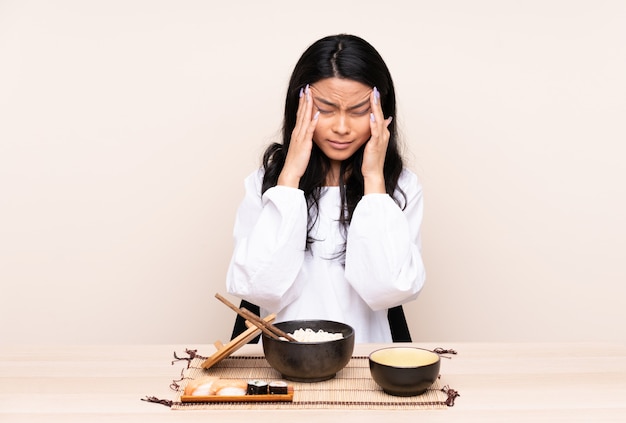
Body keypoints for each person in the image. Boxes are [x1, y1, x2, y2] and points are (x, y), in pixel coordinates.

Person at [226, 34, 425, 343]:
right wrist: (290, 177)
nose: (342, 127)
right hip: (281, 363)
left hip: (366, 361)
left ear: (382, 112)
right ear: (300, 107)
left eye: (359, 111)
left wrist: (374, 181)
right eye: (326, 109)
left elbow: (389, 288)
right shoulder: (265, 183)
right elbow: (257, 286)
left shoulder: (400, 187)